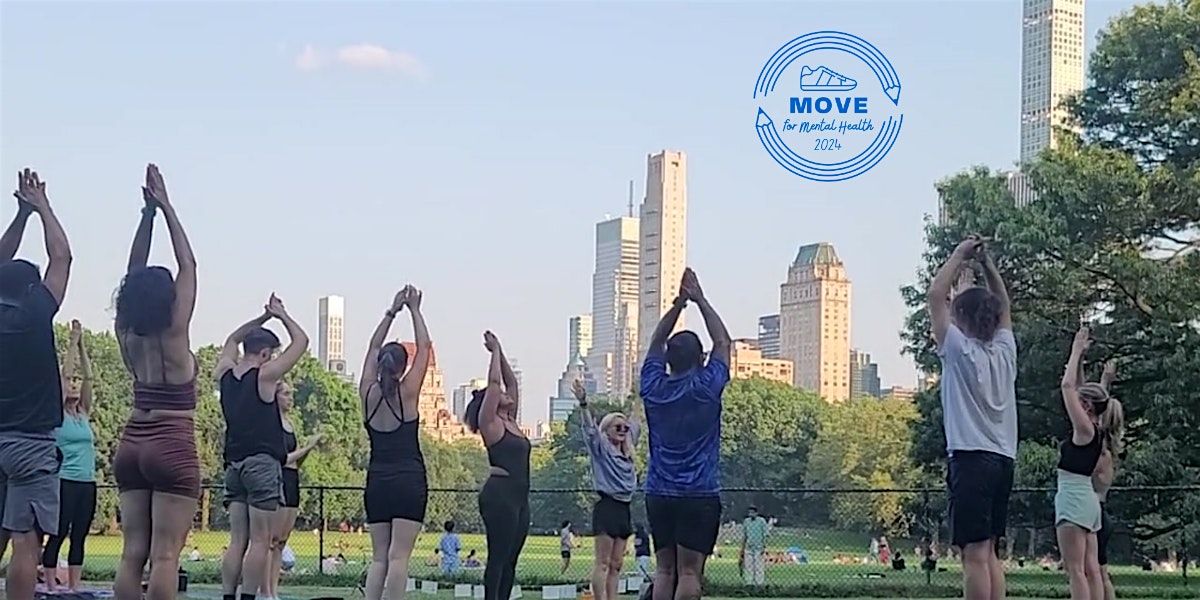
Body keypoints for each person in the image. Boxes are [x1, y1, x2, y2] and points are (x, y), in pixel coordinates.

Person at [110, 164, 201, 600]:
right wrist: (166, 207)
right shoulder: (174, 328)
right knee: (166, 556)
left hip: (132, 440)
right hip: (172, 439)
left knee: (132, 554)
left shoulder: (126, 329)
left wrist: (145, 217)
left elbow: (133, 270)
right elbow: (188, 263)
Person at [927, 235, 1017, 600]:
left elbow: (935, 295)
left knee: (974, 557)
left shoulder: (958, 349)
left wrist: (959, 255)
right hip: (1002, 459)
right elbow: (1005, 306)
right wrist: (987, 265)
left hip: (971, 458)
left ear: (959, 317)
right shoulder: (1004, 349)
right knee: (989, 552)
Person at [0, 168, 72, 600]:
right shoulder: (34, 314)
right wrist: (42, 206)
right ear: (30, 288)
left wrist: (21, 216)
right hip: (30, 443)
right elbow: (61, 259)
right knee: (27, 543)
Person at [640, 268, 731, 600]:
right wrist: (700, 299)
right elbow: (723, 342)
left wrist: (679, 304)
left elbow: (655, 341)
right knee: (690, 573)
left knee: (664, 572)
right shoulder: (707, 388)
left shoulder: (653, 387)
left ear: (667, 359)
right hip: (698, 493)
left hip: (658, 492)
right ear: (702, 359)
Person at [215, 295, 309, 600]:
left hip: (234, 464)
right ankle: (249, 597)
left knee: (236, 539)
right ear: (266, 353)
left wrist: (261, 320)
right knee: (260, 540)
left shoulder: (226, 372)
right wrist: (280, 314)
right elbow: (302, 341)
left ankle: (229, 595)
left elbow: (232, 338)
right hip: (262, 464)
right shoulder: (265, 376)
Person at [359, 286, 431, 600]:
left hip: (377, 481)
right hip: (408, 480)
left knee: (379, 558)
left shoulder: (366, 392)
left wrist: (392, 311)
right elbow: (425, 348)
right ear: (403, 368)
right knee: (399, 557)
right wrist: (415, 309)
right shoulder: (408, 394)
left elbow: (373, 345)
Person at [464, 331, 529, 600]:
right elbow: (494, 383)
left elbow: (511, 383)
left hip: (519, 497)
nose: (506, 393)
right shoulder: (491, 423)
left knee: (511, 558)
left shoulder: (510, 419)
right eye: (500, 394)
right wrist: (492, 353)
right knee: (498, 556)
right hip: (499, 494)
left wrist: (501, 350)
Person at [1056, 326, 1119, 600]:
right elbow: (1090, 392)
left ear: (1088, 407)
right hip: (1089, 502)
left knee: (1076, 570)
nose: (1077, 401)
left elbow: (1067, 386)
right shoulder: (1098, 430)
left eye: (1082, 401)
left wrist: (1076, 349)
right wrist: (1085, 365)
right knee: (1092, 568)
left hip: (1073, 497)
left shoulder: (1084, 430)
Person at [41, 320, 97, 592]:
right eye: (71, 385)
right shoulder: (58, 414)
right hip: (64, 481)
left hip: (87, 482)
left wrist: (84, 345)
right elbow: (65, 376)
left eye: (76, 384)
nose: (75, 386)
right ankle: (50, 584)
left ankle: (74, 586)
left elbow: (88, 378)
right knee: (58, 533)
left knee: (80, 536)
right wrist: (73, 343)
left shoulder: (83, 413)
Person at [574, 378, 640, 600]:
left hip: (624, 507)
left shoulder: (628, 452)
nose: (622, 430)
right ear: (607, 429)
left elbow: (637, 418)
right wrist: (584, 403)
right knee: (603, 562)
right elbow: (590, 430)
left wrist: (640, 394)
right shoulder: (601, 447)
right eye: (617, 427)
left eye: (625, 428)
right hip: (607, 506)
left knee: (617, 564)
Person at [263, 382, 322, 600]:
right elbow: (282, 458)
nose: (290, 398)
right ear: (275, 397)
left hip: (292, 479)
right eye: (286, 394)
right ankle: (265, 590)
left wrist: (308, 448)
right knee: (271, 540)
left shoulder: (290, 424)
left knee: (281, 541)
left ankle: (274, 591)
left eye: (291, 394)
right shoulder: (271, 425)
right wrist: (308, 447)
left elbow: (296, 461)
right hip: (278, 480)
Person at [1093, 361, 1122, 600]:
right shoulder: (1109, 449)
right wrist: (1105, 380)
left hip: (1096, 515)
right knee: (1099, 573)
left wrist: (1104, 382)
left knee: (1099, 574)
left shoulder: (1101, 448)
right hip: (1100, 513)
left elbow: (1098, 419)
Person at [740, 507, 768, 586]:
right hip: (748, 547)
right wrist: (742, 548)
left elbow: (765, 535)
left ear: (756, 513)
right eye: (750, 512)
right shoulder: (746, 521)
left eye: (753, 512)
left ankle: (759, 584)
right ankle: (749, 583)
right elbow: (744, 536)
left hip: (759, 547)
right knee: (748, 566)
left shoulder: (761, 521)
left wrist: (764, 546)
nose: (751, 514)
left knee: (759, 566)